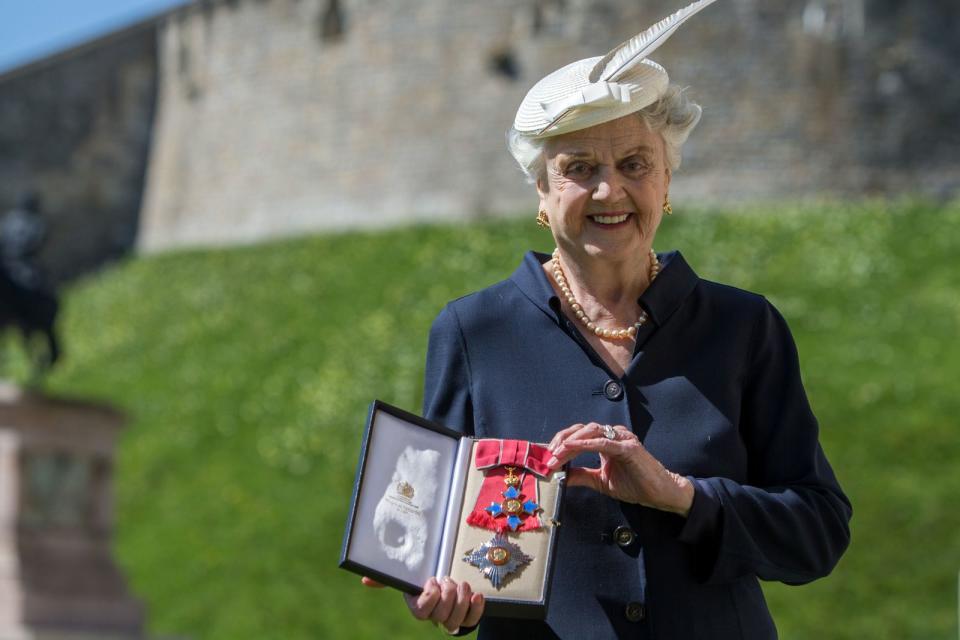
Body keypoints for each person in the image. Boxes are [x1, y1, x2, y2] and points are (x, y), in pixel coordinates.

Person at [363, 1, 851, 637]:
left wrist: (680, 495)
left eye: (634, 164)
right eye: (578, 168)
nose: (608, 191)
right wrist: (435, 592)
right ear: (541, 189)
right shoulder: (472, 331)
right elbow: (433, 538)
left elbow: (817, 532)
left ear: (667, 179)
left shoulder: (744, 326)